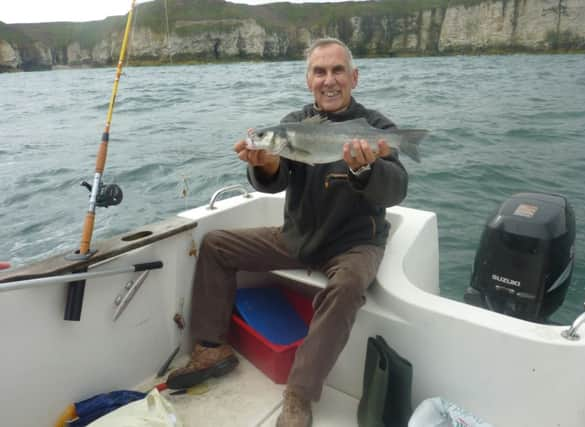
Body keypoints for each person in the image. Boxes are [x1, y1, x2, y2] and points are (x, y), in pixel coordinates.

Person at [167, 37, 408, 427]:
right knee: (216, 244)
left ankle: (299, 395)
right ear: (308, 79)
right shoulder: (293, 125)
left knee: (347, 287)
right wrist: (263, 163)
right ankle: (211, 348)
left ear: (354, 77)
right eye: (319, 71)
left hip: (354, 245)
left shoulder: (375, 127)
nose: (329, 80)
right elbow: (274, 183)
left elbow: (396, 188)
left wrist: (365, 169)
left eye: (337, 70)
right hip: (298, 237)